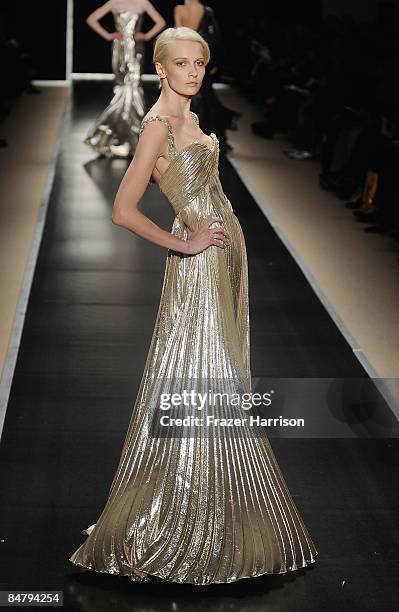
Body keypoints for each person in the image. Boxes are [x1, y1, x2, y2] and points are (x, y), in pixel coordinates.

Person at [68, 26, 318, 585]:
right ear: (161, 69)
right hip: (200, 264)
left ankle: (208, 501)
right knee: (209, 372)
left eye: (200, 62)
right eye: (182, 63)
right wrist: (185, 243)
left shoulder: (194, 122)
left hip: (226, 256)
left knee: (219, 370)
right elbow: (123, 210)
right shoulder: (158, 126)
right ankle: (189, 512)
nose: (194, 71)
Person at [84, 0, 166, 158]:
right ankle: (127, 138)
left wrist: (146, 35)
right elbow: (91, 19)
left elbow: (160, 22)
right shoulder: (114, 2)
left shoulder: (142, 2)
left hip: (136, 49)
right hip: (120, 50)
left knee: (134, 89)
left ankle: (132, 138)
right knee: (122, 88)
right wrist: (108, 35)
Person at [174, 0, 241, 153]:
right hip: (204, 57)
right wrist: (214, 61)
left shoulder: (180, 9)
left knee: (190, 97)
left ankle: (191, 137)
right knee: (205, 96)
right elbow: (216, 38)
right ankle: (215, 138)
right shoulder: (206, 10)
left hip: (186, 55)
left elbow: (178, 35)